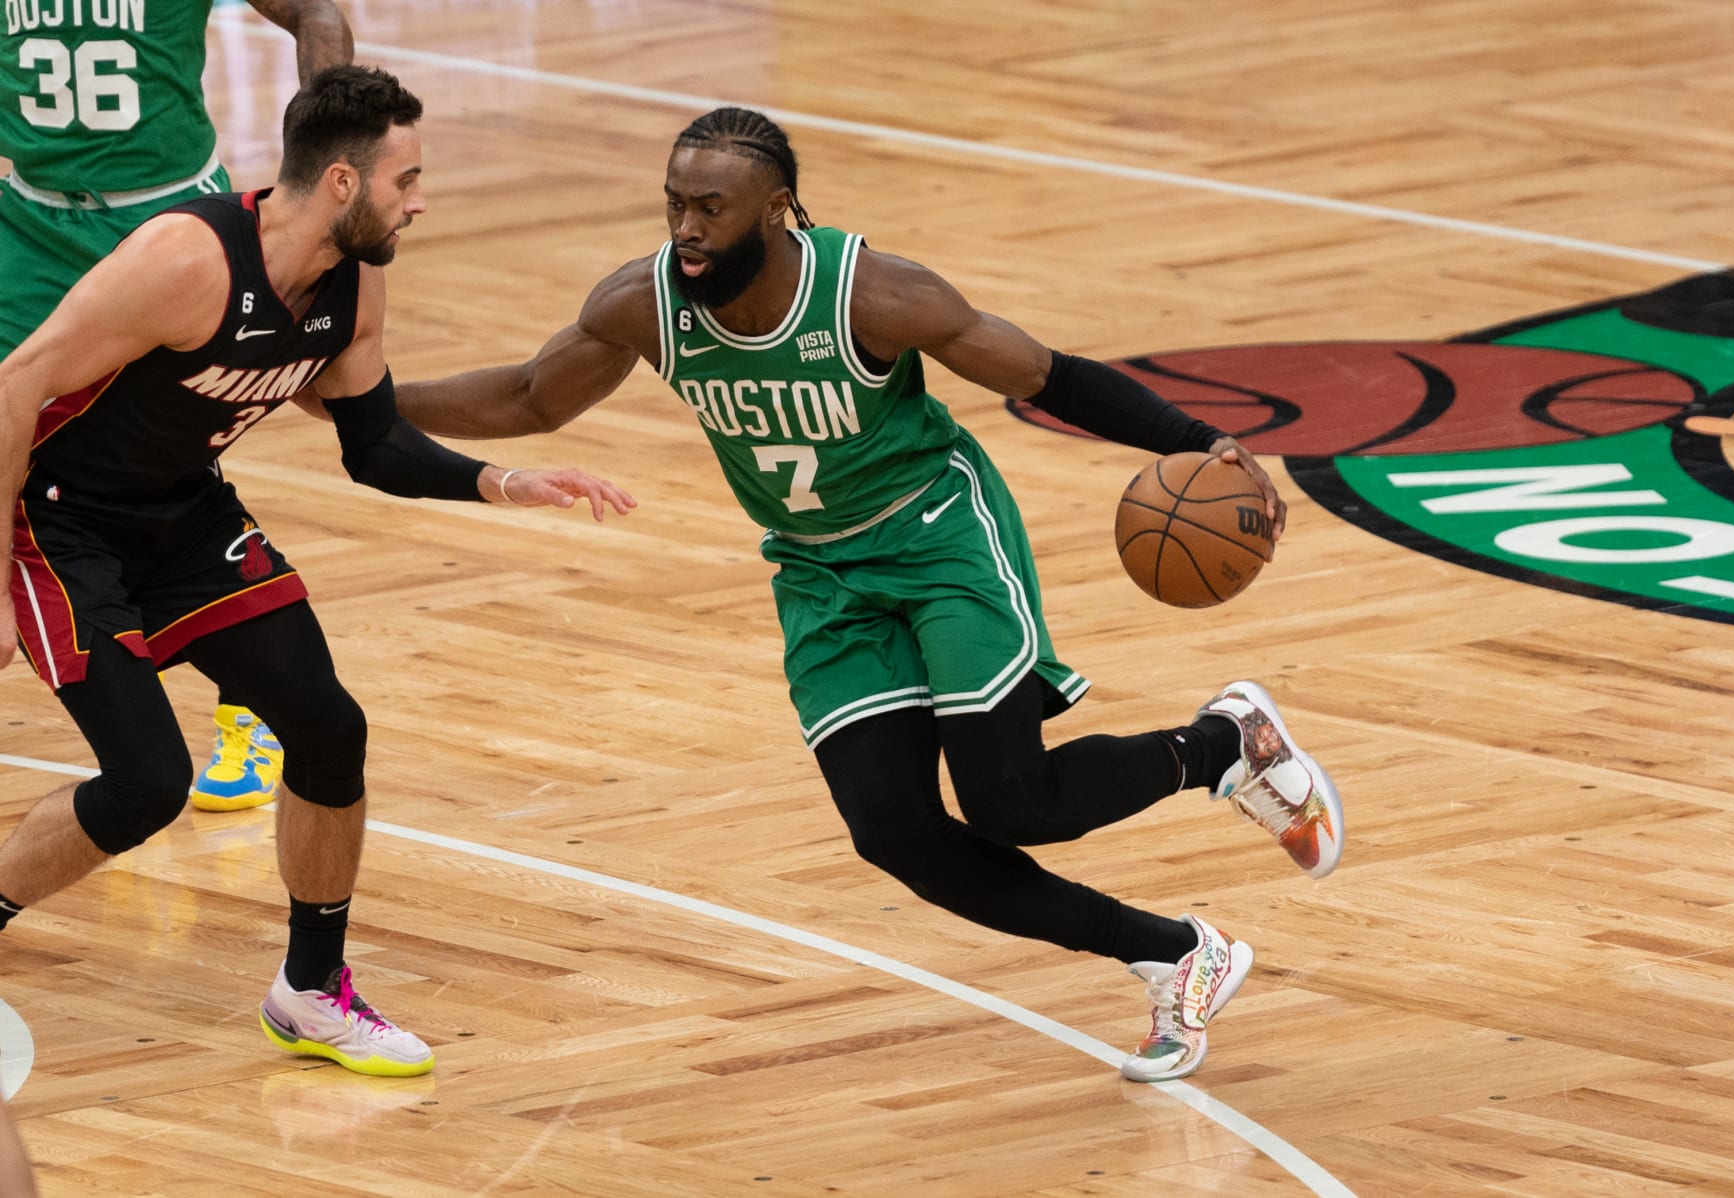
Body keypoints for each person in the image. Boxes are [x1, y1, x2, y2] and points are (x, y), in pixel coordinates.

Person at [394, 106, 1343, 1083]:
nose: (685, 229)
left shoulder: (874, 296)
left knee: (1012, 801)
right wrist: (364, 402)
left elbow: (1043, 376)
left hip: (939, 540)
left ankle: (1225, 745)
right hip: (818, 571)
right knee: (896, 832)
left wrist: (1194, 442)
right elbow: (528, 397)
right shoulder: (643, 303)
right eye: (675, 204)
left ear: (778, 210)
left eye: (711, 208)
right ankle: (1174, 950)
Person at [0, 65, 634, 1077]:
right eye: (407, 178)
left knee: (331, 729)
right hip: (62, 525)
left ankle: (310, 990)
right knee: (149, 784)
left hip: (185, 516)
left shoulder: (355, 277)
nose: (420, 200)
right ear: (343, 182)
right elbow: (18, 381)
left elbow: (373, 443)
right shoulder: (187, 258)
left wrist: (500, 481)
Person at [1, 0, 357, 813]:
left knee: (176, 453)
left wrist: (335, 149)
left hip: (168, 222)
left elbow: (316, 15)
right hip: (33, 222)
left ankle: (249, 700)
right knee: (10, 416)